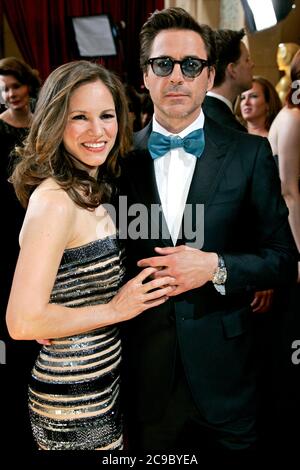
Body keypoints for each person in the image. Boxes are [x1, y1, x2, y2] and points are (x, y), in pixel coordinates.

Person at [119, 7, 297, 456]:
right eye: (164, 65)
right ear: (145, 75)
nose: (177, 77)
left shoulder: (250, 155)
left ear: (208, 74)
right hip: (143, 380)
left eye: (191, 65)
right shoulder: (115, 160)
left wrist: (216, 267)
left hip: (229, 376)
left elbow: (283, 259)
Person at [5, 60, 173, 451]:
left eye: (107, 115)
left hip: (101, 384)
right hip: (71, 399)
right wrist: (117, 309)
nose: (98, 131)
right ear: (54, 120)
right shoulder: (54, 202)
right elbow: (21, 321)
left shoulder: (92, 188)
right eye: (80, 117)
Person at [0, 57, 41, 453]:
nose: (10, 94)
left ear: (28, 86)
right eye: (4, 89)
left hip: (41, 224)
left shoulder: (43, 124)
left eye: (15, 86)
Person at [202, 28, 253, 132]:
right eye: (247, 60)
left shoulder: (194, 112)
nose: (252, 64)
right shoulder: (232, 131)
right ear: (232, 69)